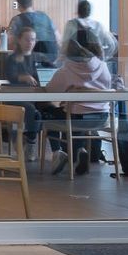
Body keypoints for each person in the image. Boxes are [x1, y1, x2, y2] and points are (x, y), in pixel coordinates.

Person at [37, 28, 116, 176]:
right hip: (101, 118)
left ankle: (58, 152)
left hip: (76, 118)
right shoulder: (103, 66)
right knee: (69, 112)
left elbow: (51, 90)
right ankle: (79, 150)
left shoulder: (68, 69)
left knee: (46, 110)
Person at [7, 0, 59, 64]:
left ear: (18, 5)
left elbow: (10, 41)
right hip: (52, 58)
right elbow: (58, 37)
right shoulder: (44, 16)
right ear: (31, 4)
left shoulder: (17, 19)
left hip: (31, 60)